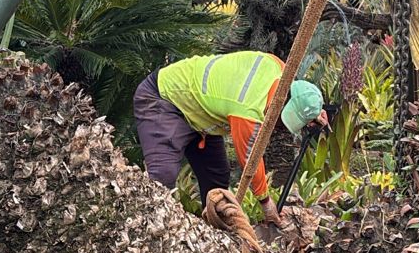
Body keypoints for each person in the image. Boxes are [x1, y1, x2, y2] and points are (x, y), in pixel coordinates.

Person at [133, 51, 327, 225]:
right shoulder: (247, 111)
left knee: (217, 179)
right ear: (282, 102)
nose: (278, 126)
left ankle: (213, 235)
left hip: (200, 111)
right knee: (161, 177)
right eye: (281, 120)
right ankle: (146, 231)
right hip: (164, 99)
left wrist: (312, 112)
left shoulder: (280, 69)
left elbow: (299, 93)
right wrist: (267, 205)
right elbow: (251, 162)